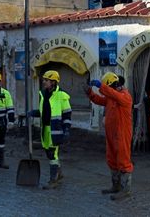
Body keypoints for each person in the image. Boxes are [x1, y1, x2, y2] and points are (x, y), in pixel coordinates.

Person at [84, 72, 133, 200]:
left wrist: (101, 86)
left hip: (122, 134)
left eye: (108, 87)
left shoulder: (125, 96)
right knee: (111, 159)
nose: (107, 90)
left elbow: (114, 95)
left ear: (114, 85)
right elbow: (100, 100)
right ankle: (115, 186)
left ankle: (125, 190)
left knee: (123, 161)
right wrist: (90, 93)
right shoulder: (112, 97)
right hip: (111, 134)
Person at [30, 70, 72, 190]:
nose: (44, 82)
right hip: (45, 129)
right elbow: (45, 112)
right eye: (44, 80)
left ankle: (53, 180)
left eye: (46, 80)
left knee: (53, 154)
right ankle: (59, 173)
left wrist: (67, 130)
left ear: (53, 82)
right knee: (49, 153)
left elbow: (67, 114)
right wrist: (34, 113)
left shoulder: (62, 96)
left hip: (56, 130)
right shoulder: (43, 94)